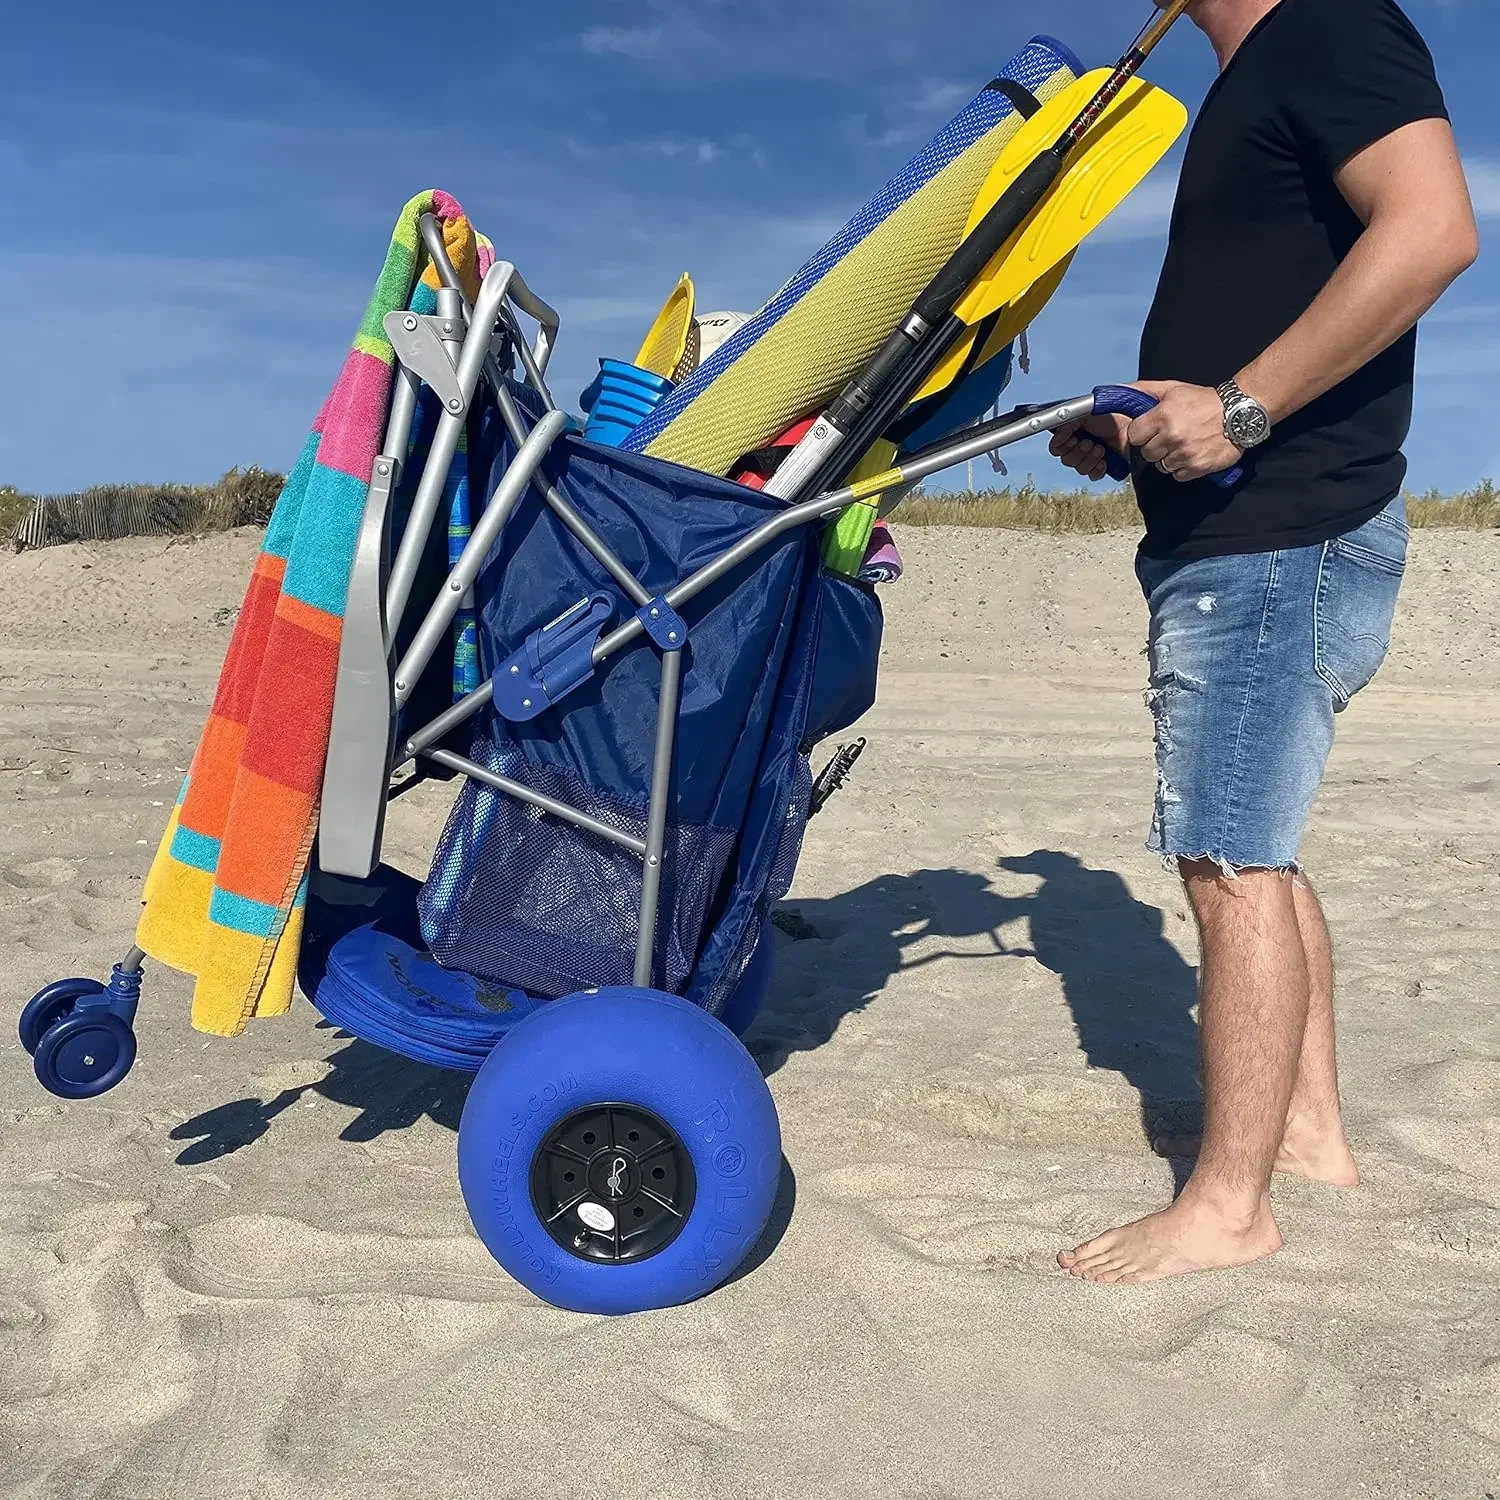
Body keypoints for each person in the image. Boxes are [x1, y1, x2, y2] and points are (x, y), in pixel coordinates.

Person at [1048, 0, 1479, 1283]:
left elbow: (1435, 229)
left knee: (1226, 858)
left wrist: (1241, 410)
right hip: (1259, 532)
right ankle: (1311, 1139)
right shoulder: (1263, 72)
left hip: (1278, 538)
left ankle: (1229, 1207)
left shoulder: (1330, 24)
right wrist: (1134, 425)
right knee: (1262, 850)